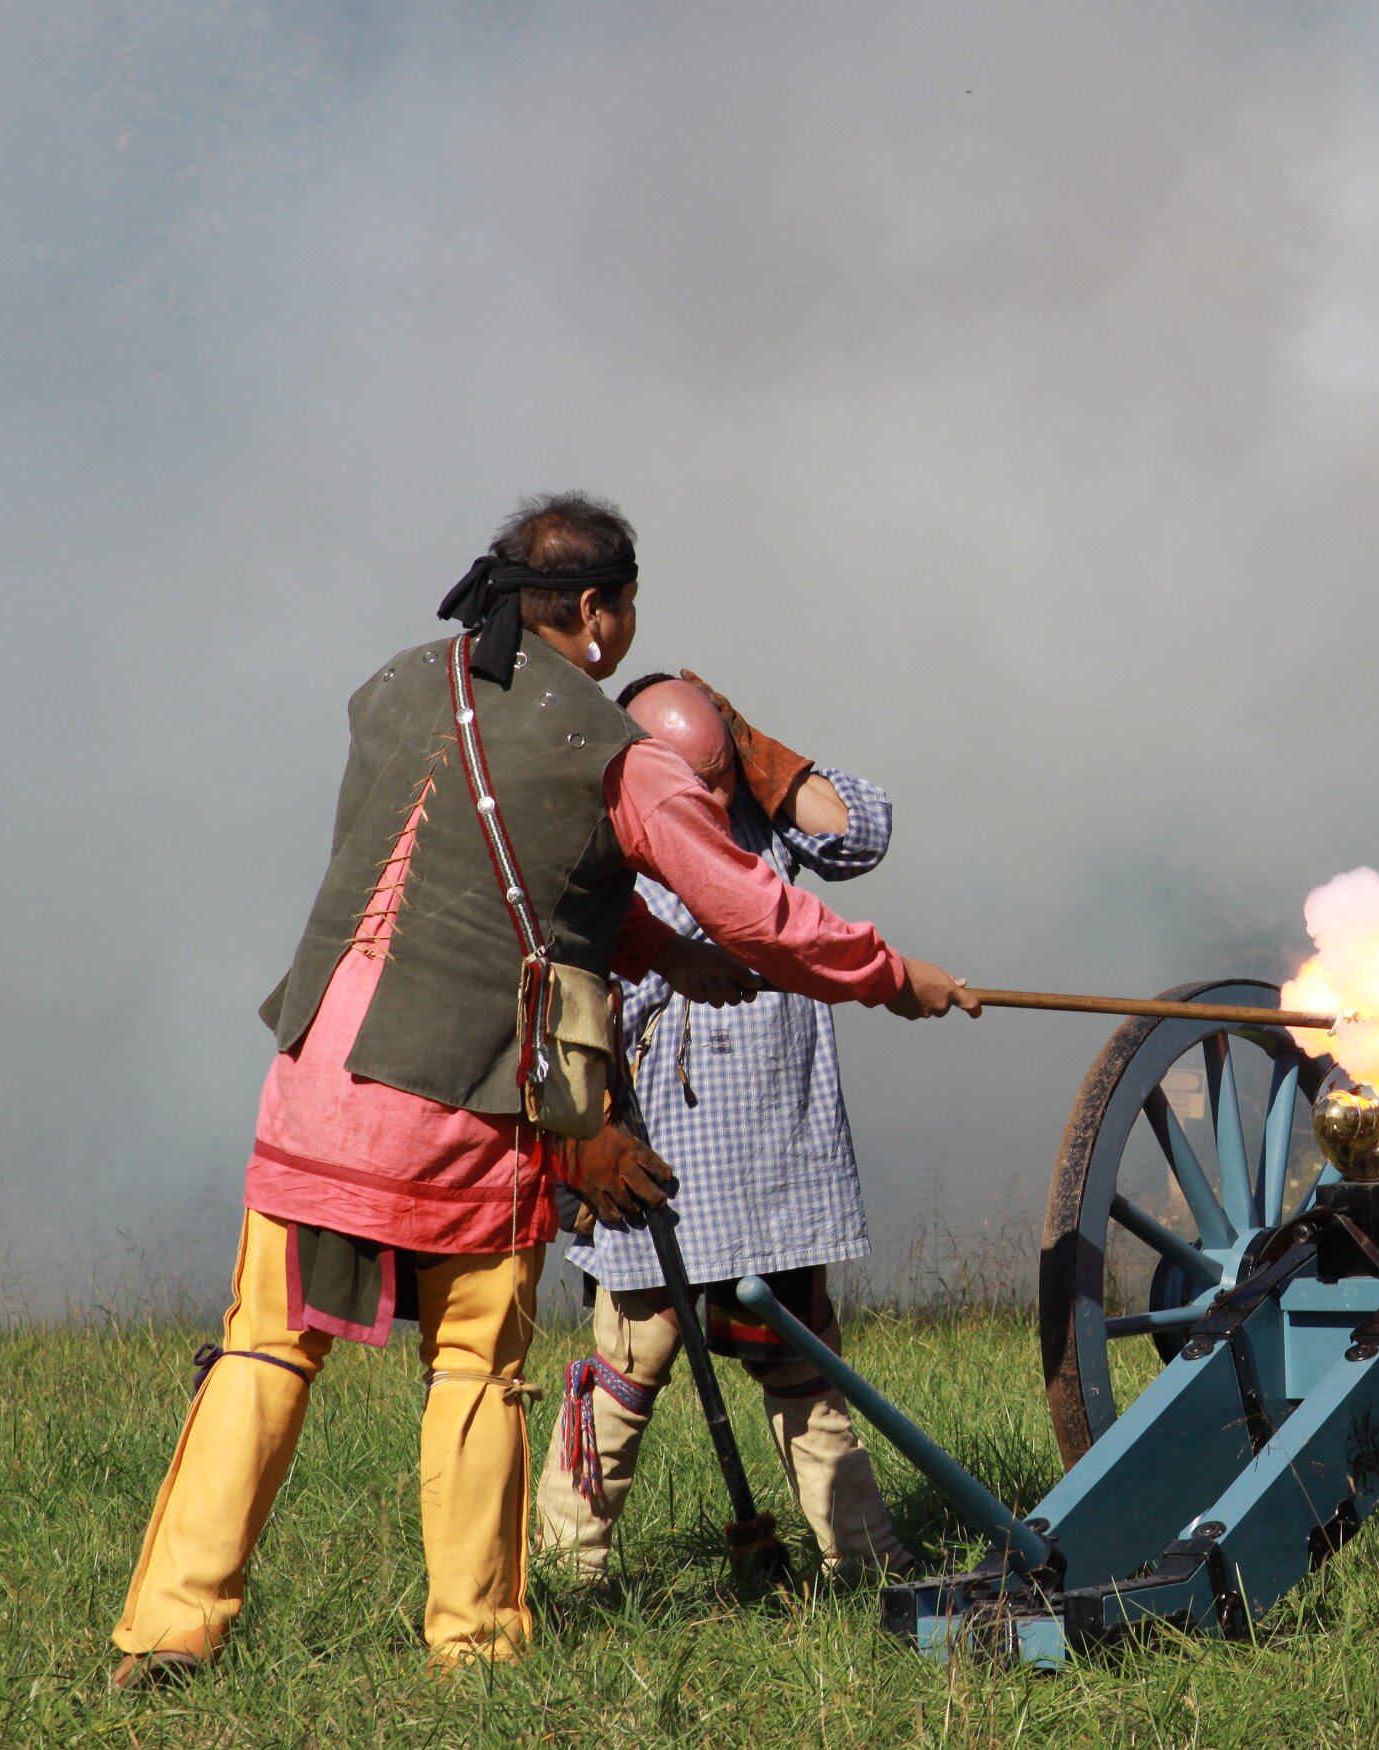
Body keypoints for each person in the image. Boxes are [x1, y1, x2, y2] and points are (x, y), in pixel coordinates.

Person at [109, 493, 979, 1686]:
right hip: (461, 1097)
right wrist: (888, 975)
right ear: (599, 613)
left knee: (263, 1351)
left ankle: (170, 1629)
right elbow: (754, 910)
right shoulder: (623, 757)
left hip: (316, 1081)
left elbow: (482, 868)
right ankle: (472, 1647)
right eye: (627, 607)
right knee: (475, 1369)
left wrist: (656, 951)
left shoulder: (393, 686)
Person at [535, 674, 913, 1581]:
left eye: (718, 775)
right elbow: (550, 990)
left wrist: (767, 767)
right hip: (653, 1140)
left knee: (796, 1354)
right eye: (689, 779)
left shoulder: (760, 813)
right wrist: (577, 1131)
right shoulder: (599, 832)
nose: (706, 799)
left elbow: (862, 834)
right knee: (635, 1350)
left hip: (778, 1139)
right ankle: (564, 1568)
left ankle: (867, 1564)